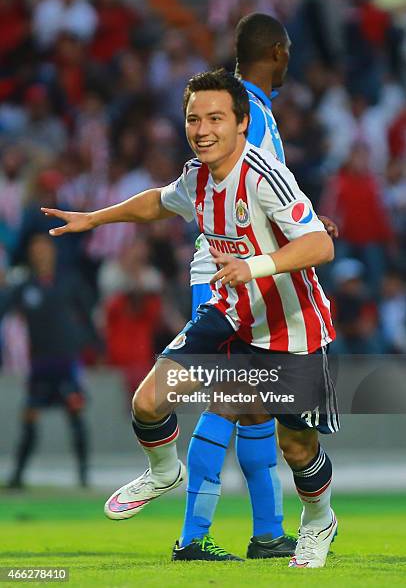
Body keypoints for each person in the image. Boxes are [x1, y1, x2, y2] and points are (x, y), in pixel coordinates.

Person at [42, 69, 339, 568]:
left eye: (216, 118)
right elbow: (157, 202)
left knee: (296, 446)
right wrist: (94, 218)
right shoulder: (197, 177)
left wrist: (254, 264)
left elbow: (321, 244)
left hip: (292, 327)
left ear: (242, 123)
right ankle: (164, 472)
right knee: (149, 402)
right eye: (193, 118)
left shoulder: (264, 177)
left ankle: (319, 521)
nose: (202, 129)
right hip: (231, 316)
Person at [182, 13, 338, 560]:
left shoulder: (244, 105)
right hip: (230, 277)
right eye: (288, 50)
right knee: (227, 401)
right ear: (277, 51)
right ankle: (195, 537)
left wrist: (308, 226)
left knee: (250, 406)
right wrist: (302, 234)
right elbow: (255, 197)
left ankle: (267, 533)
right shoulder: (248, 113)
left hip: (226, 271)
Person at [0, 234, 98, 488]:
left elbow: (88, 313)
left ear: (52, 252)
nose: (41, 254)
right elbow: (4, 308)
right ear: (31, 254)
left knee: (76, 415)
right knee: (29, 416)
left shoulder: (69, 281)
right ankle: (18, 476)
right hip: (40, 364)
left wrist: (89, 344)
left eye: (44, 248)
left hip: (66, 362)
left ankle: (84, 475)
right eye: (36, 249)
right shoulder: (25, 286)